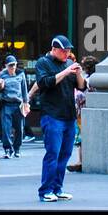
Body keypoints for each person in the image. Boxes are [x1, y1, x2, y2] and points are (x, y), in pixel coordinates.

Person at [28, 35, 84, 203]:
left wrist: (78, 73)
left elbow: (80, 86)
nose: (67, 54)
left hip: (69, 116)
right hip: (52, 116)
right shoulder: (43, 63)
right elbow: (45, 83)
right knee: (53, 154)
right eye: (63, 51)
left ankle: (57, 188)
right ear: (54, 49)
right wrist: (66, 71)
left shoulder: (68, 63)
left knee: (65, 154)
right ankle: (45, 191)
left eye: (68, 51)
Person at [0, 56, 29, 159]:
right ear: (6, 66)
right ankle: (8, 149)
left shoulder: (21, 74)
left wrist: (26, 103)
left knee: (20, 128)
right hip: (6, 104)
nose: (12, 67)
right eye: (10, 65)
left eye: (14, 64)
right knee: (6, 128)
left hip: (18, 104)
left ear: (16, 64)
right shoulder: (2, 75)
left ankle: (17, 148)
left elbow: (24, 89)